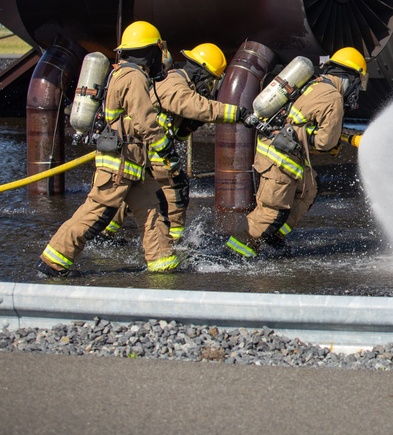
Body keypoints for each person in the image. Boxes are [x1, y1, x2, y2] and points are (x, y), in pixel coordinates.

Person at [37, 21, 181, 277]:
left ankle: (163, 264)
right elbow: (145, 121)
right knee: (97, 214)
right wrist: (167, 148)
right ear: (150, 50)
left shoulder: (125, 73)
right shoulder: (132, 77)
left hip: (134, 165)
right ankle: (53, 261)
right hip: (120, 165)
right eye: (157, 50)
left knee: (153, 209)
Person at [225, 47, 367, 259]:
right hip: (280, 160)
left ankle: (272, 238)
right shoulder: (334, 99)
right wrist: (335, 142)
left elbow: (303, 125)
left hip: (277, 152)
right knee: (271, 211)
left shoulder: (315, 83)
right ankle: (234, 256)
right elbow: (324, 142)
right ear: (351, 78)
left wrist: (343, 137)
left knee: (309, 190)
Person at [102, 43, 247, 243]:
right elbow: (198, 107)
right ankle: (174, 242)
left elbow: (177, 124)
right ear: (202, 74)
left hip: (144, 149)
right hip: (152, 150)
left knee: (131, 192)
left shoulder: (177, 81)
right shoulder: (176, 86)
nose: (211, 87)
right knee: (175, 190)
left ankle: (105, 234)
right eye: (212, 81)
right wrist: (238, 114)